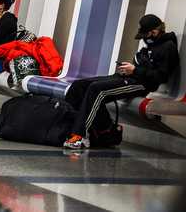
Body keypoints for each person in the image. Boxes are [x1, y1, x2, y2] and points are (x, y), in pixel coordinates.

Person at [63, 14, 179, 149]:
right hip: (127, 77)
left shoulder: (168, 47)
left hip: (140, 84)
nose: (145, 39)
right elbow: (142, 65)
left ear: (154, 32)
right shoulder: (151, 46)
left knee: (97, 90)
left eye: (146, 35)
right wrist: (128, 69)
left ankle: (80, 135)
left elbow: (160, 77)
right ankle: (76, 128)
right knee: (79, 86)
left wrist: (134, 70)